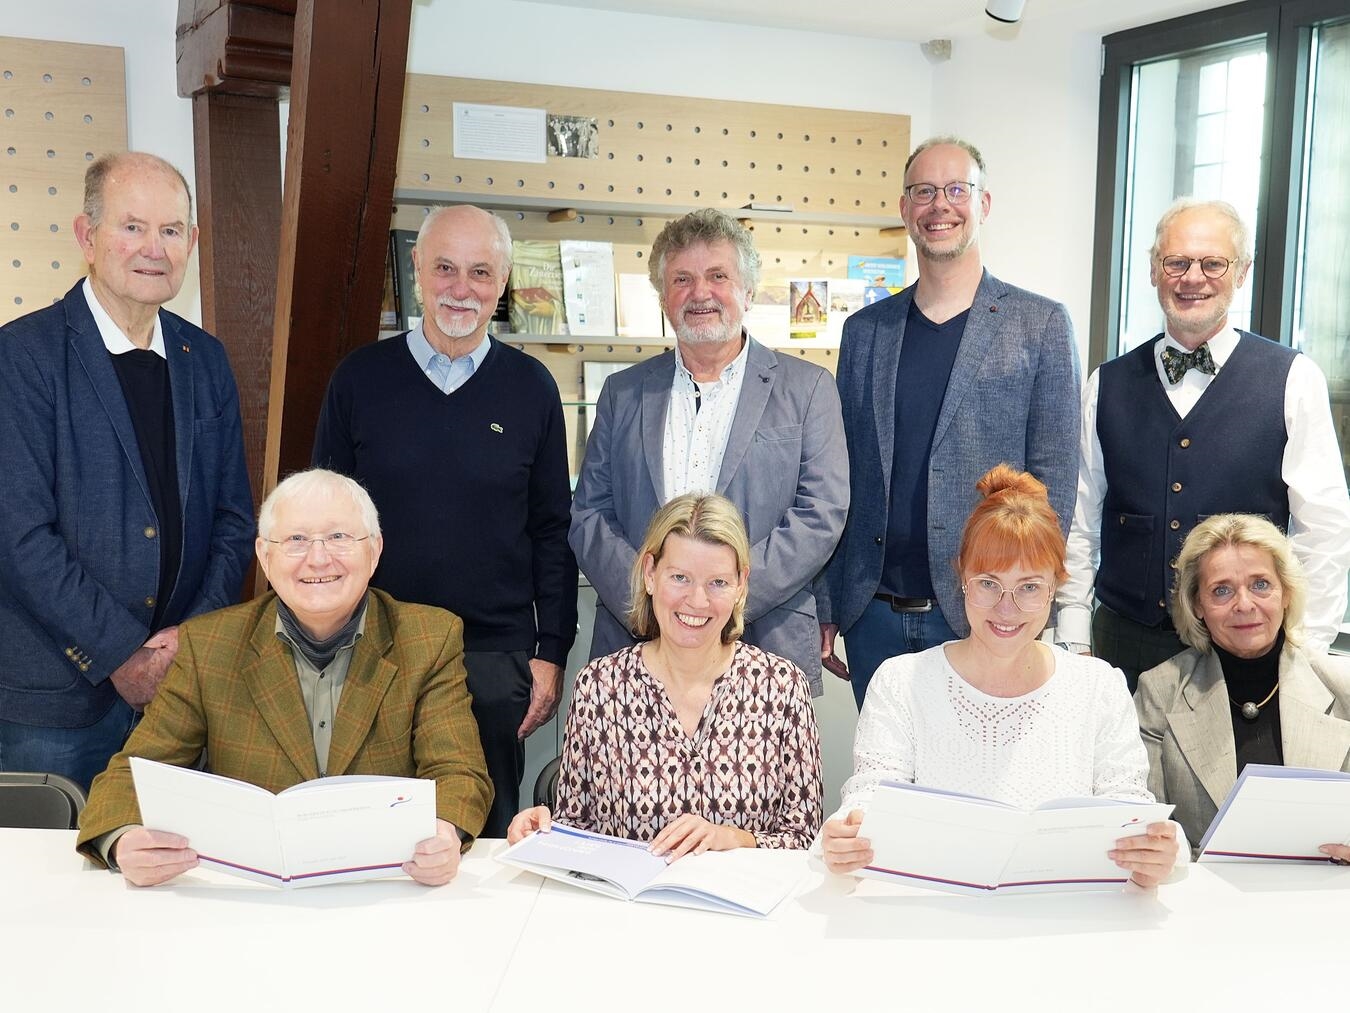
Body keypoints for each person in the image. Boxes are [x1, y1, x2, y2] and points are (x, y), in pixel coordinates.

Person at [75, 469, 492, 886]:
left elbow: (459, 772)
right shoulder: (210, 645)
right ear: (264, 555)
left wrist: (444, 832)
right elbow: (132, 774)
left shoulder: (428, 638)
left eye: (339, 537)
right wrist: (124, 840)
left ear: (374, 550)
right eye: (296, 539)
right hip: (252, 893)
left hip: (384, 885)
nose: (318, 558)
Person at [313, 204, 576, 838]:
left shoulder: (533, 388)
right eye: (445, 268)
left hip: (492, 659)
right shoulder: (358, 380)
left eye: (481, 272)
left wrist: (550, 654)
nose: (462, 289)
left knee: (488, 835)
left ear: (504, 281)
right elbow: (323, 525)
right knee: (373, 838)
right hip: (373, 652)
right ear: (416, 269)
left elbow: (552, 532)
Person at [0, 151, 254, 790]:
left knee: (170, 852)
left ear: (192, 241)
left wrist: (187, 644)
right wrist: (121, 653)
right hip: (56, 705)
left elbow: (233, 521)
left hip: (181, 691)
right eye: (132, 227)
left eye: (171, 230)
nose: (154, 249)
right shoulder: (22, 356)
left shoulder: (206, 359)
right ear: (86, 237)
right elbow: (20, 537)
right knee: (56, 857)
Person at [821, 465, 1180, 887]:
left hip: (1063, 913)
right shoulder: (901, 682)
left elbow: (1129, 807)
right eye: (989, 583)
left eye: (1029, 587)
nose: (1006, 609)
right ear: (963, 579)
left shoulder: (1098, 687)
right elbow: (870, 797)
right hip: (937, 911)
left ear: (1055, 588)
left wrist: (1151, 854)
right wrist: (849, 836)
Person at [818, 136, 1080, 710]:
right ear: (904, 207)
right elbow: (844, 478)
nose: (940, 205)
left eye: (957, 190)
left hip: (984, 613)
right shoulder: (865, 332)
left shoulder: (1039, 325)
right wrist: (829, 601)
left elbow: (1054, 485)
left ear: (983, 204)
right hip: (874, 617)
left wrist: (1029, 604)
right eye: (924, 191)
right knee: (883, 766)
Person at [1059, 198, 1350, 691]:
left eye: (1213, 263)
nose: (1192, 278)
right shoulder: (1104, 384)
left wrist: (1306, 650)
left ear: (1242, 273)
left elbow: (1323, 529)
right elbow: (1079, 522)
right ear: (1154, 270)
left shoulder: (1294, 379)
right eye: (1176, 262)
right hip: (1123, 646)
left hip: (1244, 648)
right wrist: (1072, 634)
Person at [570, 208, 847, 695]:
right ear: (663, 297)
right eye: (682, 279)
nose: (700, 293)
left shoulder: (808, 389)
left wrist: (721, 601)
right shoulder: (623, 393)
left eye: (718, 276)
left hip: (764, 651)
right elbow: (590, 515)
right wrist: (650, 602)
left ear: (748, 291)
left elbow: (820, 514)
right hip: (635, 650)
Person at [510, 493, 822, 858]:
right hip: (632, 896)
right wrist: (544, 832)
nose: (698, 601)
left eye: (718, 582)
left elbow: (804, 839)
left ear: (741, 584)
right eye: (680, 577)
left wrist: (734, 839)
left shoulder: (782, 688)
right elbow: (577, 831)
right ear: (650, 574)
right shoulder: (600, 687)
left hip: (741, 896)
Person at [1136, 513, 1350, 862]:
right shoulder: (1160, 693)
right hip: (1204, 890)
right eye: (1221, 590)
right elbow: (1148, 830)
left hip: (1324, 887)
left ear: (1286, 592)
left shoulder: (1342, 687)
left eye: (1261, 584)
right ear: (1197, 605)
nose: (1245, 604)